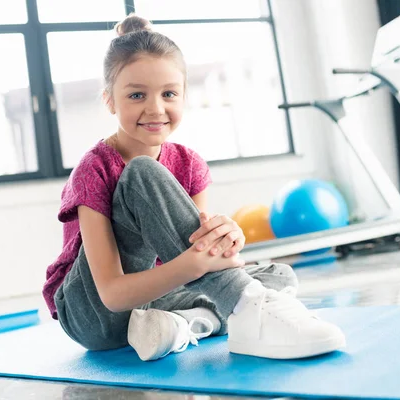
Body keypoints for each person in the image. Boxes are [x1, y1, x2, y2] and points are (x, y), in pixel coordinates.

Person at [43, 14, 346, 362]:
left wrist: (227, 240)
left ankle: (190, 323)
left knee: (278, 274)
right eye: (137, 95)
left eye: (169, 93)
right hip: (95, 315)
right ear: (110, 100)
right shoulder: (95, 167)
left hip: (156, 296)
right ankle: (241, 309)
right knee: (144, 172)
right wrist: (199, 265)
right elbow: (111, 293)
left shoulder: (189, 163)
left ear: (184, 96)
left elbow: (202, 254)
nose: (155, 109)